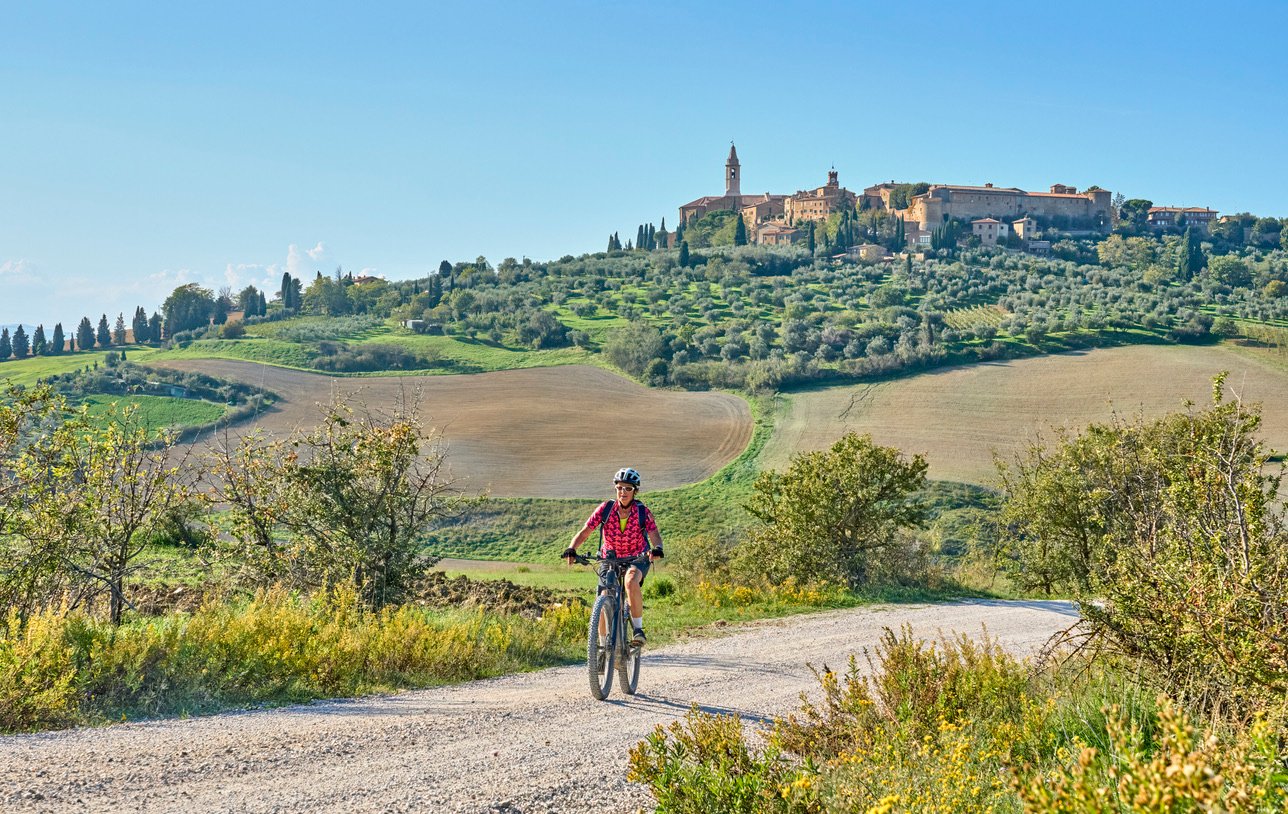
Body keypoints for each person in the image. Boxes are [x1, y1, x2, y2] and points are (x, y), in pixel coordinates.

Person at [563, 467, 663, 644]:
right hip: (609, 558)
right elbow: (585, 531)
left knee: (630, 581)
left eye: (628, 488)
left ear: (635, 490)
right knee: (603, 597)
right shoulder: (605, 509)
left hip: (637, 557)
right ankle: (601, 648)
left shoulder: (642, 512)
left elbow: (653, 533)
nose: (623, 492)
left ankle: (638, 630)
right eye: (619, 488)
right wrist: (572, 548)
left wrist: (657, 548)